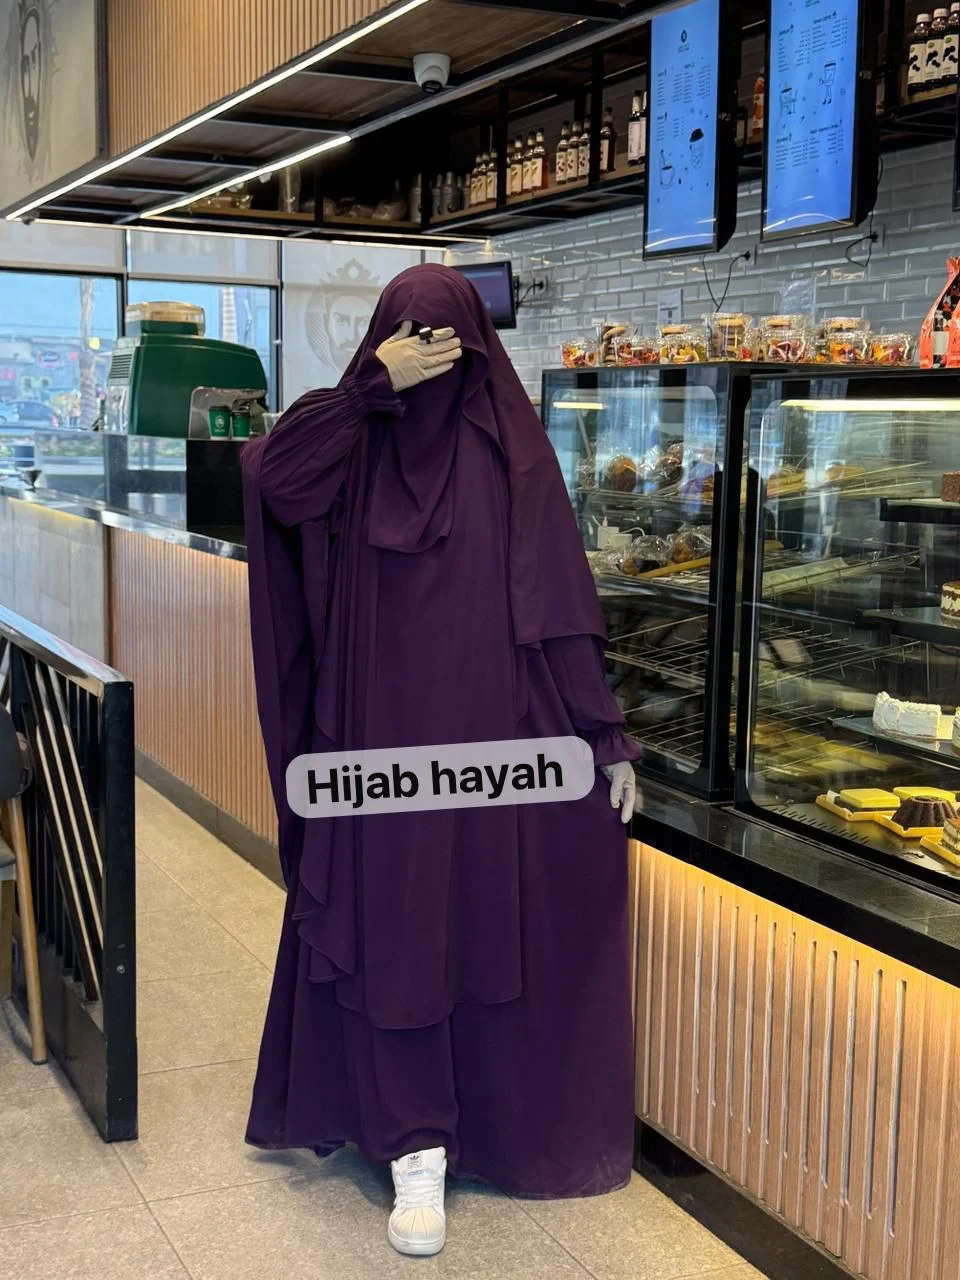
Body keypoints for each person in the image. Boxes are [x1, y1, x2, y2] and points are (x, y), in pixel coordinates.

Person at [241, 263, 640, 1257]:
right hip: (372, 745)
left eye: (443, 340)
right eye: (407, 335)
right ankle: (412, 1139)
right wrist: (369, 388)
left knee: (483, 919)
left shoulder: (507, 451)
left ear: (477, 349)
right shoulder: (351, 441)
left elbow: (558, 606)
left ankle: (486, 1122)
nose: (427, 355)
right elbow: (273, 479)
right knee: (393, 924)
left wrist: (602, 735)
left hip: (493, 741)